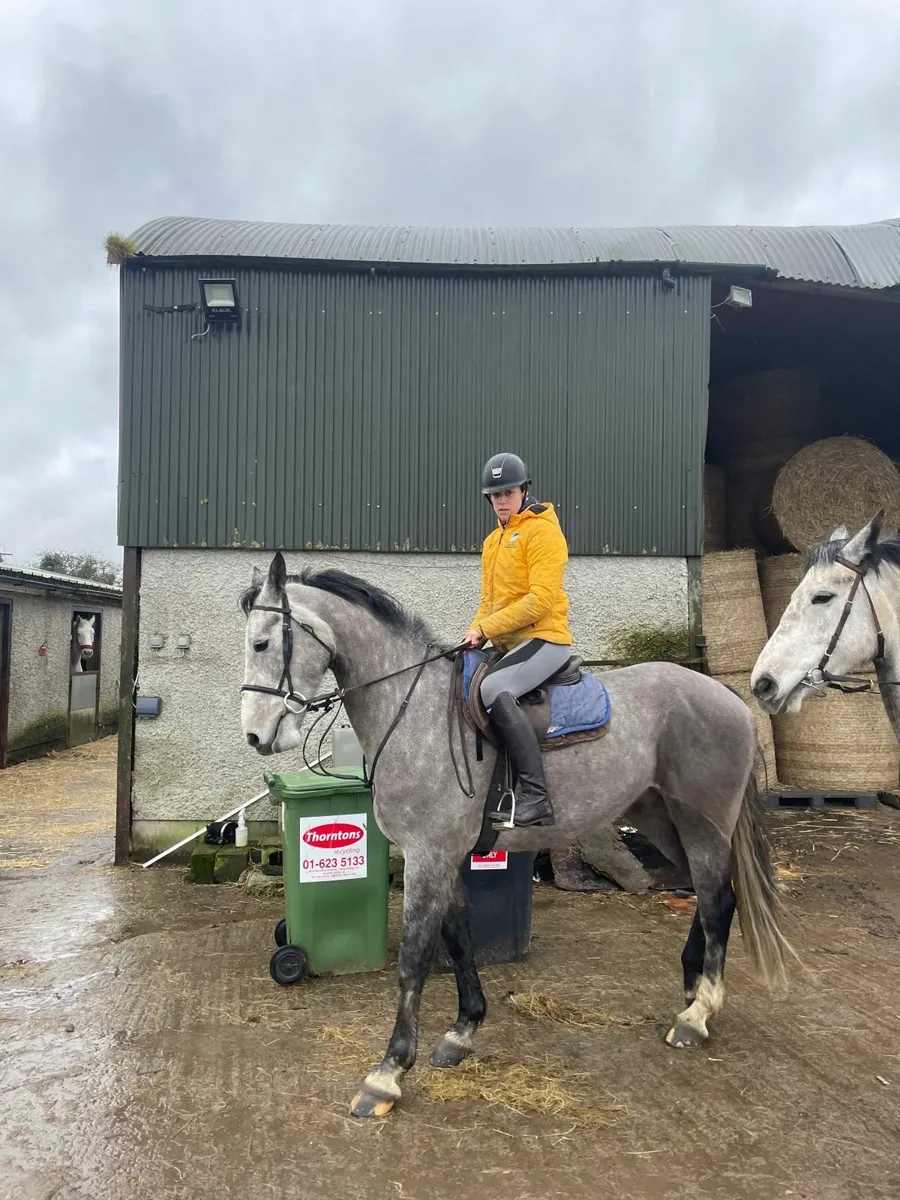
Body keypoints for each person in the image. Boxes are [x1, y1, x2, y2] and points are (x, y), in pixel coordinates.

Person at [462, 452, 573, 827]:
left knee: (493, 689)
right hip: (508, 644)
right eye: (495, 495)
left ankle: (536, 796)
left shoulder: (543, 531)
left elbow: (540, 600)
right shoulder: (493, 540)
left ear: (524, 489)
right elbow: (488, 601)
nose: (502, 500)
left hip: (546, 637)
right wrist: (475, 629)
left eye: (508, 491)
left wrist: (488, 628)